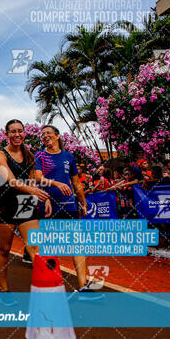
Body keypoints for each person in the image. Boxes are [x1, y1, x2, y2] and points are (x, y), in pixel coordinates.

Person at [35, 125, 102, 298]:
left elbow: (76, 183)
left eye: (48, 133)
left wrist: (83, 202)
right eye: (43, 134)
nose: (45, 136)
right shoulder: (40, 155)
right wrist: (55, 183)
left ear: (57, 136)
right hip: (48, 205)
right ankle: (50, 286)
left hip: (69, 205)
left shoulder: (68, 156)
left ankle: (83, 286)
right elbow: (37, 177)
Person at [0, 119, 51, 306]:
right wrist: (34, 191)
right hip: (5, 203)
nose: (17, 134)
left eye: (20, 131)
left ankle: (46, 290)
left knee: (36, 247)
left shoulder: (30, 156)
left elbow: (33, 182)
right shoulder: (0, 156)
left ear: (24, 133)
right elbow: (10, 180)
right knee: (4, 249)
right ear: (7, 134)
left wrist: (43, 196)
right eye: (12, 131)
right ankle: (4, 289)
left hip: (25, 202)